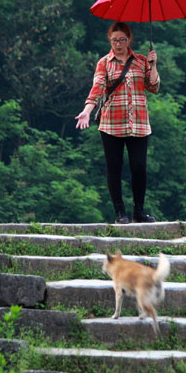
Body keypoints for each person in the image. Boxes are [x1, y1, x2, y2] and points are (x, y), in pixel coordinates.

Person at [75, 21, 160, 224]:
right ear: (110, 40)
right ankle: (120, 213)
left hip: (138, 123)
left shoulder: (140, 61)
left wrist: (153, 65)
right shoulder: (104, 63)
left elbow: (154, 87)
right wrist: (87, 111)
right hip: (112, 123)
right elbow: (97, 88)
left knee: (139, 167)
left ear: (129, 40)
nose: (118, 44)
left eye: (122, 40)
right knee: (114, 167)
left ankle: (138, 212)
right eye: (114, 40)